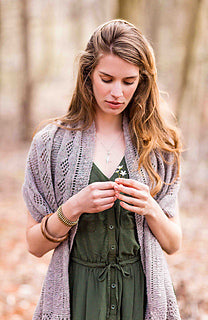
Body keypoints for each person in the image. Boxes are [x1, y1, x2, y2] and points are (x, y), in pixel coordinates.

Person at [23, 19, 182, 320]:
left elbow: (173, 244)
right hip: (76, 297)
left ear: (142, 81)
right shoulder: (50, 144)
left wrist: (151, 208)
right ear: (88, 74)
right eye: (106, 78)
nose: (117, 93)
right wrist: (73, 208)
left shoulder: (159, 145)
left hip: (142, 296)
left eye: (128, 81)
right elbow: (34, 245)